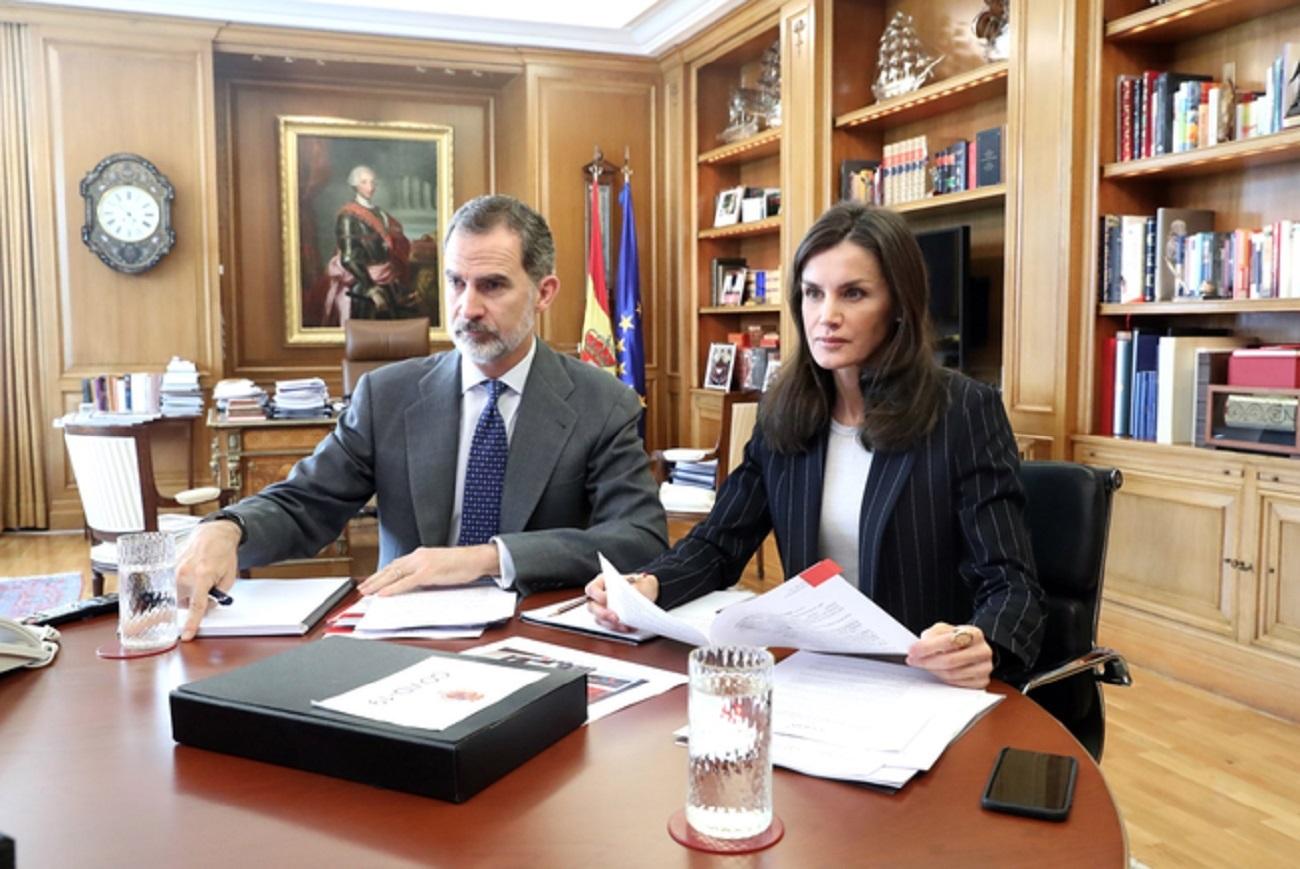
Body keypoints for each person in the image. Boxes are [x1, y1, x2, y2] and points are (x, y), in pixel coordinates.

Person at [587, 202, 1043, 689]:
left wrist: (980, 642)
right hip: (816, 673)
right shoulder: (785, 409)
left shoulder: (962, 411)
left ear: (898, 306)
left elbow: (1011, 584)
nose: (827, 316)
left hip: (921, 681)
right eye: (812, 294)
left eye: (853, 294)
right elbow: (720, 543)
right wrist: (649, 586)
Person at [179, 194, 668, 640]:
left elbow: (639, 538)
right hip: (405, 635)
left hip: (541, 637)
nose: (467, 307)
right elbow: (306, 502)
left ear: (544, 293)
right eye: (455, 283)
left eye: (492, 286)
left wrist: (489, 558)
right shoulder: (386, 395)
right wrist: (229, 528)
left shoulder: (601, 402)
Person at [322, 165, 421, 326]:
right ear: (355, 185)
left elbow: (392, 244)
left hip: (387, 277)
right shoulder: (348, 217)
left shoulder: (380, 213)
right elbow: (349, 258)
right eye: (364, 182)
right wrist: (371, 289)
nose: (370, 187)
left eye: (373, 182)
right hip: (362, 282)